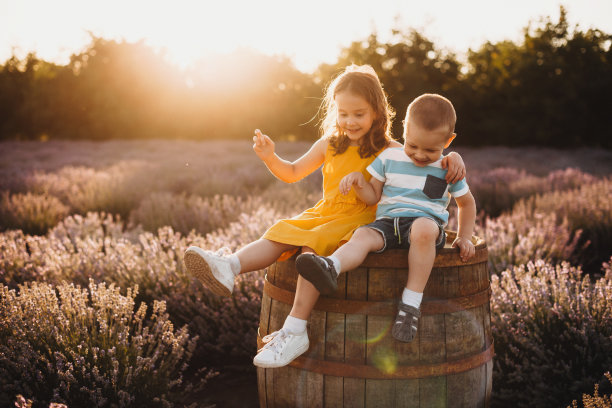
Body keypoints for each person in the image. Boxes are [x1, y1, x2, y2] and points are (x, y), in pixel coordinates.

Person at [183, 67, 466, 368]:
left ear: (377, 112)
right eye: (343, 114)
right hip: (325, 211)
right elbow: (292, 173)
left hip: (361, 218)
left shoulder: (390, 149)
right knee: (282, 230)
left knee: (312, 247)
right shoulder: (329, 144)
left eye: (359, 114)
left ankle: (295, 329)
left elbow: (426, 156)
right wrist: (270, 158)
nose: (350, 121)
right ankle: (230, 266)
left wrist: (454, 157)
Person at [295, 93, 477, 348]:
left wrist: (463, 236)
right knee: (362, 235)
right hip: (387, 223)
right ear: (404, 128)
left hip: (424, 225)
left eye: (431, 150)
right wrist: (359, 182)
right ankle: (330, 266)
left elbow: (466, 203)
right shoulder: (389, 158)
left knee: (424, 228)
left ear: (449, 141)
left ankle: (410, 304)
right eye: (412, 146)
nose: (420, 155)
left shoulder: (449, 167)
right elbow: (372, 197)